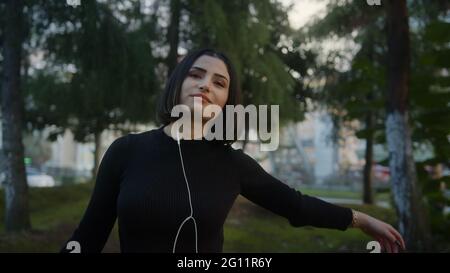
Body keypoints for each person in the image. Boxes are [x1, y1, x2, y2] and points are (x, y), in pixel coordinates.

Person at [61, 48, 405, 253]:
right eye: (196, 75)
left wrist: (361, 220)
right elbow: (87, 238)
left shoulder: (233, 165)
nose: (205, 85)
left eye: (219, 82)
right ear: (178, 84)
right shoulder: (126, 151)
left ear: (227, 103)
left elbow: (296, 206)